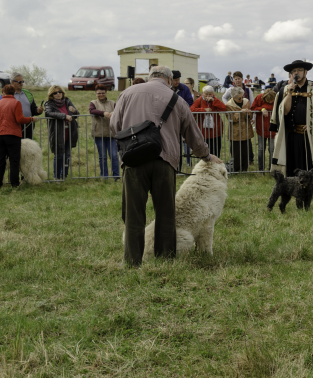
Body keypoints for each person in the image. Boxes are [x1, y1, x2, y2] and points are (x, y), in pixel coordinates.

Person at [111, 65, 220, 267]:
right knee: (165, 212)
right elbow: (192, 134)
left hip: (133, 160)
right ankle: (165, 259)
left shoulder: (127, 94)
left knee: (134, 213)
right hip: (165, 161)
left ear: (149, 77)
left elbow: (115, 125)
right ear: (170, 80)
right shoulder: (176, 100)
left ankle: (132, 261)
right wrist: (205, 155)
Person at [269, 59, 313, 210]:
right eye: (294, 71)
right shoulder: (285, 90)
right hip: (292, 137)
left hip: (311, 137)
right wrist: (289, 93)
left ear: (306, 72)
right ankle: (293, 202)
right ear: (291, 74)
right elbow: (284, 112)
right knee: (293, 171)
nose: (297, 73)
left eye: (300, 70)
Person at [0, 84, 41, 189]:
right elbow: (20, 119)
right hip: (13, 135)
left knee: (0, 160)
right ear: (13, 92)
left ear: (3, 92)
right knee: (14, 160)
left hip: (0, 135)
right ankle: (14, 184)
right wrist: (31, 119)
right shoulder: (16, 103)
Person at [44, 85, 79, 180]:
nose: (58, 94)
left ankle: (64, 175)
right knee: (58, 155)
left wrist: (74, 111)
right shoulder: (49, 103)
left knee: (67, 155)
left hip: (69, 132)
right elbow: (48, 113)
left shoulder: (67, 101)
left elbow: (77, 114)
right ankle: (57, 176)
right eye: (55, 92)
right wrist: (64, 116)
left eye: (60, 92)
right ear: (51, 94)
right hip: (57, 133)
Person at [89, 86, 120, 180]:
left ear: (106, 93)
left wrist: (113, 113)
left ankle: (116, 176)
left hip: (112, 134)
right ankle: (104, 176)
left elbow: (118, 111)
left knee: (114, 156)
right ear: (95, 93)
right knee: (102, 156)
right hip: (99, 134)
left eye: (103, 93)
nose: (101, 95)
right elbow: (92, 111)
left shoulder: (112, 103)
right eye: (99, 93)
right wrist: (104, 113)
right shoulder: (93, 103)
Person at [190, 85, 226, 157]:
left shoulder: (215, 100)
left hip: (216, 131)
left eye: (210, 94)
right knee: (205, 153)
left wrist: (214, 101)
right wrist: (203, 110)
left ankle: (215, 167)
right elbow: (191, 110)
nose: (208, 96)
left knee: (215, 152)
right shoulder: (199, 100)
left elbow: (224, 108)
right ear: (203, 93)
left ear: (212, 94)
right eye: (206, 94)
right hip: (204, 132)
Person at [226, 86, 254, 173]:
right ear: (233, 97)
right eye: (239, 98)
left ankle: (244, 168)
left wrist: (248, 114)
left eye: (242, 96)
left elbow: (250, 116)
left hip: (246, 130)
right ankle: (236, 169)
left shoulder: (246, 101)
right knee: (236, 152)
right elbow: (231, 118)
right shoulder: (228, 105)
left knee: (246, 150)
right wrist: (240, 112)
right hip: (235, 131)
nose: (242, 99)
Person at [252, 88, 277, 171]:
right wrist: (262, 109)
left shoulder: (276, 98)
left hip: (273, 129)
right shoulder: (259, 98)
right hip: (261, 128)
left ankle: (271, 169)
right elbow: (253, 108)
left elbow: (279, 108)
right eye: (268, 100)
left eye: (272, 100)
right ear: (264, 98)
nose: (270, 102)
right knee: (261, 149)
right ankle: (261, 169)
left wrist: (265, 107)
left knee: (272, 149)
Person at [11, 73, 42, 140]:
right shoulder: (8, 93)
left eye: (22, 81)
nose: (21, 83)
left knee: (28, 148)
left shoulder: (27, 93)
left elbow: (33, 109)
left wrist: (38, 110)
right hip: (14, 126)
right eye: (19, 82)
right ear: (12, 82)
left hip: (28, 126)